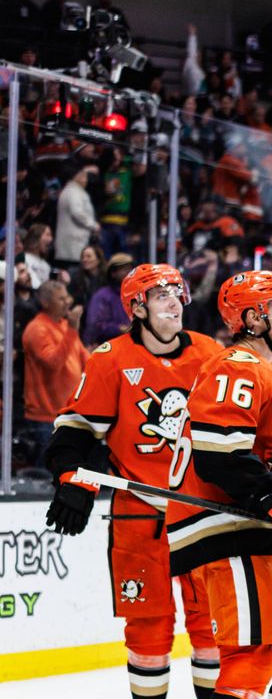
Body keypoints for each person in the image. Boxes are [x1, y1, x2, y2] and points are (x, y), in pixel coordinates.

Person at [44, 264, 225, 699]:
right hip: (139, 514)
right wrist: (74, 481)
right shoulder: (110, 359)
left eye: (176, 293)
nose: (173, 301)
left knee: (213, 624)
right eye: (160, 294)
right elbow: (78, 432)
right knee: (148, 629)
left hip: (204, 513)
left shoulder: (211, 354)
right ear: (137, 307)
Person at [166, 271, 272, 699]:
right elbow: (220, 456)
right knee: (251, 656)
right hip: (223, 528)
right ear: (253, 319)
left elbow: (253, 457)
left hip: (246, 527)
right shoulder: (237, 365)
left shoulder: (267, 371)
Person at [23, 280, 89, 463]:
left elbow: (87, 360)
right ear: (45, 303)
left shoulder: (64, 325)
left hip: (69, 413)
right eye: (61, 298)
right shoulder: (37, 329)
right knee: (47, 477)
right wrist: (73, 330)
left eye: (67, 296)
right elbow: (53, 364)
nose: (68, 301)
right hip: (46, 416)